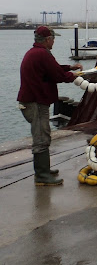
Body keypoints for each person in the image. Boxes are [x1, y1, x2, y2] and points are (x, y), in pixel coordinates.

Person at [17, 26, 83, 186]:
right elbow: (57, 75)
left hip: (31, 101)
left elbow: (52, 70)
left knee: (42, 136)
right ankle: (41, 176)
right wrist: (72, 75)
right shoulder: (42, 54)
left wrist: (70, 68)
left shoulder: (35, 53)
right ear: (47, 40)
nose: (53, 42)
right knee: (41, 138)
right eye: (53, 39)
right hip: (36, 103)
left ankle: (44, 169)